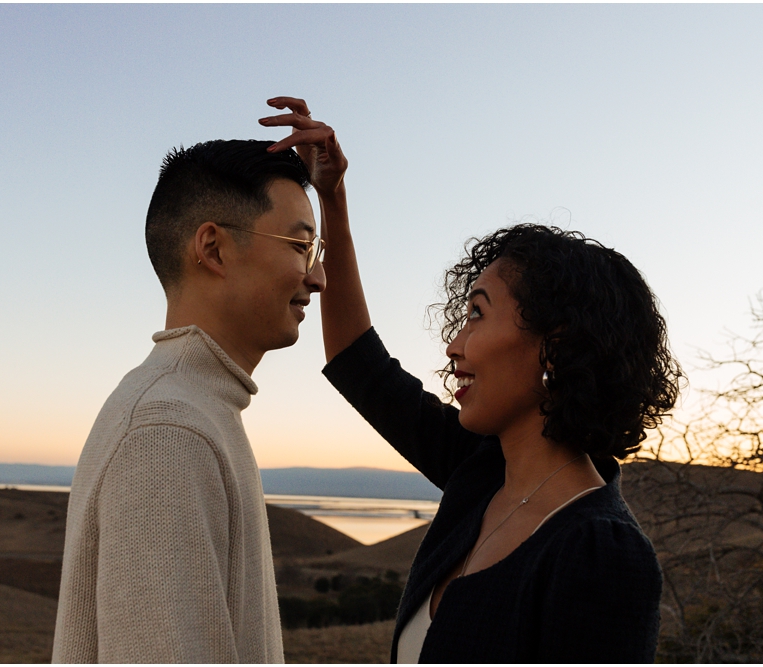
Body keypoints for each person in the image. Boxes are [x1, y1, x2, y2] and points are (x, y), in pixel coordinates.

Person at [261, 98, 682, 662]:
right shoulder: (481, 474)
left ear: (553, 346)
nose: (454, 344)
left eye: (477, 313)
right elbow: (359, 363)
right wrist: (332, 198)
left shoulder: (601, 553)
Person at [52, 138, 326, 663]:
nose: (317, 277)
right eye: (299, 246)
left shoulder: (197, 410)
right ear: (214, 249)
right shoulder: (168, 433)